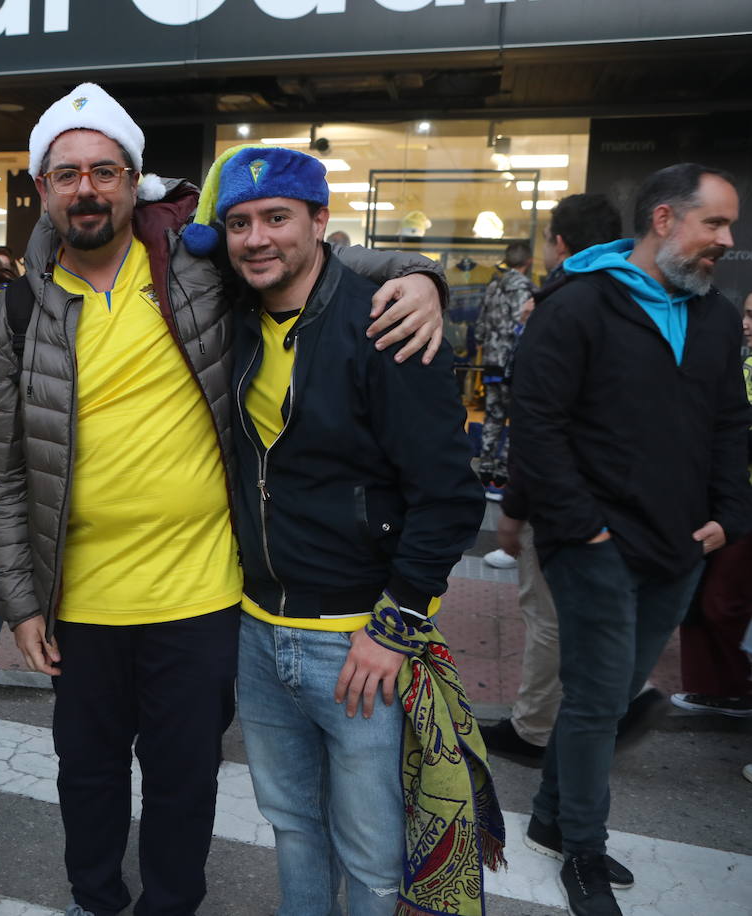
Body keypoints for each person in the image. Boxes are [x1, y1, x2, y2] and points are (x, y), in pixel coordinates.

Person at [0, 82, 449, 916]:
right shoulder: (15, 310)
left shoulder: (196, 271)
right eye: (67, 174)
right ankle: (96, 899)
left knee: (184, 781)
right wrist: (20, 604)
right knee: (85, 776)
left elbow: (307, 261)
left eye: (106, 170)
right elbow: (3, 471)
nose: (87, 188)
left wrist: (419, 274)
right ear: (42, 190)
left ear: (133, 181)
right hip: (77, 601)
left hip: (200, 597)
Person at [193, 143, 493, 916]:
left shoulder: (386, 323)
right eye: (239, 223)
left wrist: (393, 626)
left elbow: (451, 497)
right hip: (259, 632)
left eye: (277, 218)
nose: (257, 238)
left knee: (368, 852)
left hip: (357, 640)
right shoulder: (236, 320)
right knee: (293, 828)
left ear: (322, 223)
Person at [511, 163, 752, 916]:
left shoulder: (716, 314)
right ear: (663, 221)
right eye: (714, 223)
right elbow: (537, 422)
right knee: (593, 698)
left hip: (682, 543)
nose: (728, 239)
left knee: (614, 694)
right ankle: (581, 845)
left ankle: (552, 811)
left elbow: (727, 422)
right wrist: (583, 527)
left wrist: (729, 511)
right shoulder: (578, 303)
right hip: (594, 544)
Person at [484, 194, 628, 767]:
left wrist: (513, 511)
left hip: (570, 496)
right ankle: (601, 707)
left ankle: (537, 727)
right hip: (628, 495)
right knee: (599, 612)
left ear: (560, 245)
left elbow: (539, 421)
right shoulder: (647, 298)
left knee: (547, 612)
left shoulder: (561, 304)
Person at [672, 289, 752, 717]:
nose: (745, 324)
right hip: (725, 501)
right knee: (709, 597)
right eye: (746, 314)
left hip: (737, 504)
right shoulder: (741, 365)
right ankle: (715, 687)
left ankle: (732, 687)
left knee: (723, 601)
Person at [474, 241, 536, 500]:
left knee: (493, 416)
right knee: (515, 419)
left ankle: (484, 471)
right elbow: (525, 328)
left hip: (491, 362)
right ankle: (502, 477)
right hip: (514, 364)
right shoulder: (526, 290)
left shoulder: (492, 286)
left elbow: (479, 328)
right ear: (528, 262)